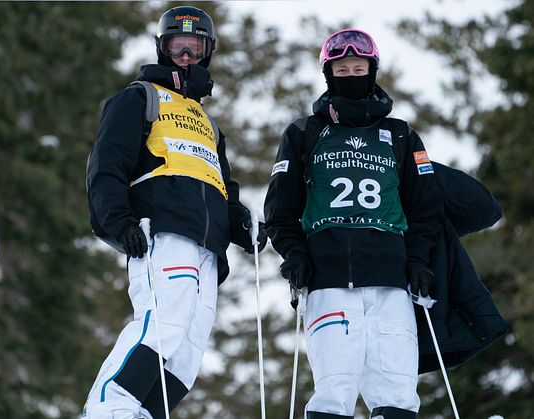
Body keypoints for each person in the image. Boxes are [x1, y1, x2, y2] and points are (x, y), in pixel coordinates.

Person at [83, 6, 266, 419]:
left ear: (208, 52)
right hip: (163, 232)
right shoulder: (140, 97)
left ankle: (143, 413)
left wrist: (241, 223)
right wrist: (119, 223)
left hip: (209, 247)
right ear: (162, 49)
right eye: (177, 46)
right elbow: (106, 166)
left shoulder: (208, 123)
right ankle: (108, 408)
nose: (186, 56)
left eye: (195, 47)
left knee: (188, 348)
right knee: (164, 322)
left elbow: (223, 187)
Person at [264, 29, 444, 418]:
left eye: (358, 68)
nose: (351, 74)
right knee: (334, 388)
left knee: (396, 388)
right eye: (341, 69)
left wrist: (418, 261)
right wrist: (294, 255)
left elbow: (426, 209)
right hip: (328, 278)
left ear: (372, 70)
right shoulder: (304, 132)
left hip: (392, 280)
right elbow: (280, 209)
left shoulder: (401, 135)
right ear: (329, 75)